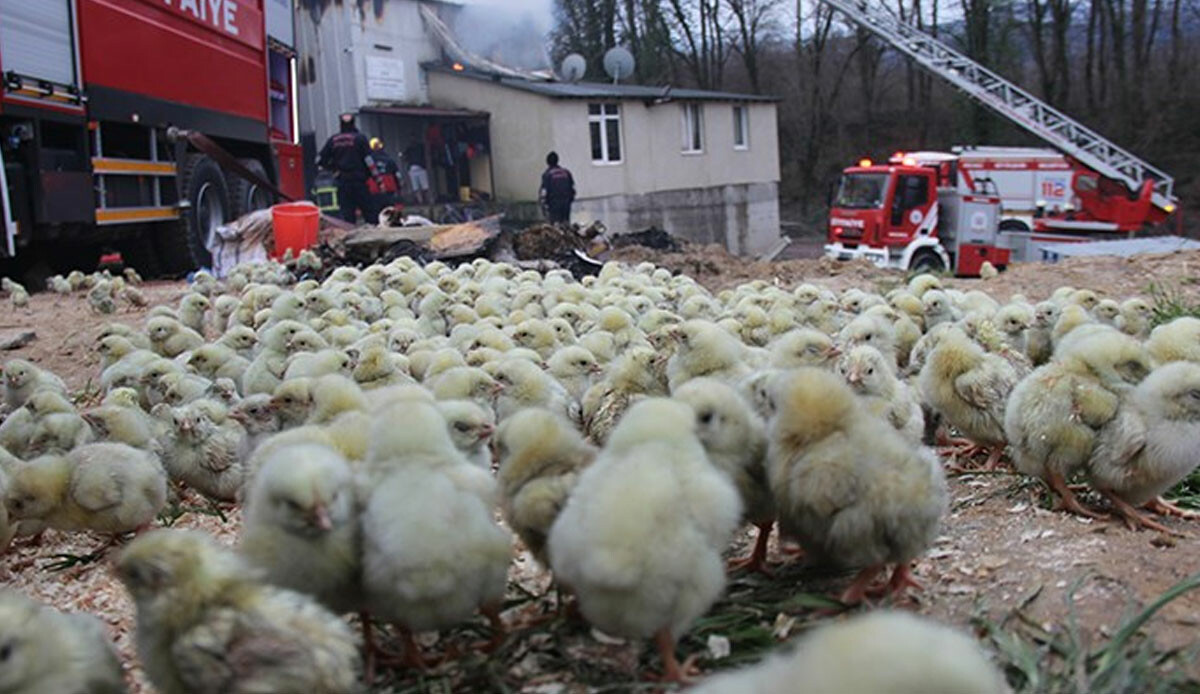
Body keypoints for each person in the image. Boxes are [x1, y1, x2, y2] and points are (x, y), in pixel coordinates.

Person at [317, 113, 372, 223]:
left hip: (342, 181)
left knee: (347, 215)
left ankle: (351, 236)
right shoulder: (360, 138)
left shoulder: (333, 140)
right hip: (359, 180)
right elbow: (369, 160)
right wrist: (375, 177)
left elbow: (319, 160)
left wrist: (333, 169)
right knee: (369, 212)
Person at [366, 137, 401, 222]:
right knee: (390, 212)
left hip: (373, 190)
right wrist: (399, 188)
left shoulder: (368, 160)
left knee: (375, 213)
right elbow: (397, 175)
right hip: (389, 190)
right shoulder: (389, 159)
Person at [539, 151, 575, 224]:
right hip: (566, 203)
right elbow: (573, 188)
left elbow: (544, 191)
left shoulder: (547, 174)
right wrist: (570, 199)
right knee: (566, 223)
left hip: (553, 204)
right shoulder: (566, 172)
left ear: (547, 162)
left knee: (555, 226)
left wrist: (543, 203)